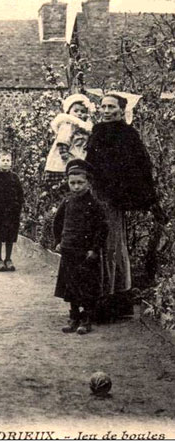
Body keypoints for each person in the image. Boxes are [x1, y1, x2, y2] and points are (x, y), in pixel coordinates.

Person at [85, 93, 163, 320]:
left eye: (111, 107)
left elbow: (140, 167)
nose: (107, 111)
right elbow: (90, 164)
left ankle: (112, 303)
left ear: (121, 110)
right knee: (94, 245)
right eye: (104, 106)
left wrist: (146, 199)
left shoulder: (128, 135)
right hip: (96, 196)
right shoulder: (98, 131)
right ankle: (91, 300)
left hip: (113, 200)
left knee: (113, 247)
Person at [53, 159, 108, 335]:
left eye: (80, 183)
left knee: (86, 286)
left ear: (88, 183)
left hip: (85, 254)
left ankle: (87, 319)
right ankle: (74, 317)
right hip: (69, 250)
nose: (76, 187)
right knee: (71, 286)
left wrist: (94, 248)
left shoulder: (94, 204)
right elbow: (57, 222)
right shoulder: (67, 202)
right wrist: (58, 241)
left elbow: (102, 228)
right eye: (73, 183)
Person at [44, 94, 94, 189]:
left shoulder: (84, 127)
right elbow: (63, 140)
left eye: (82, 111)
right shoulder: (68, 124)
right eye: (76, 111)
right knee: (63, 180)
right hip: (64, 159)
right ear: (69, 112)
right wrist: (64, 153)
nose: (79, 114)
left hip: (76, 156)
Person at [0, 151, 24, 271]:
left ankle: (8, 259)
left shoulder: (15, 178)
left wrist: (17, 206)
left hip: (12, 212)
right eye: (3, 160)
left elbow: (20, 194)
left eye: (8, 160)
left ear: (11, 163)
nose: (6, 162)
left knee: (10, 236)